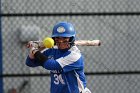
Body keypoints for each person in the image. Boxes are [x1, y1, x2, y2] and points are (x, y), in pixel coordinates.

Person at [26, 22, 91, 93]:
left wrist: (35, 51)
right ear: (54, 39)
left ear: (71, 38)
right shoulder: (52, 50)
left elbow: (50, 65)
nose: (61, 41)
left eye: (64, 38)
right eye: (58, 38)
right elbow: (30, 63)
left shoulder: (74, 55)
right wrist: (37, 48)